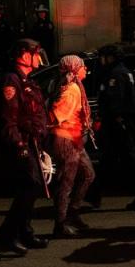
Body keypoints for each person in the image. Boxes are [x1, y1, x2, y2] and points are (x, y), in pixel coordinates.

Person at [0, 38, 49, 255]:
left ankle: (25, 231)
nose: (38, 58)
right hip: (21, 143)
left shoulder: (28, 81)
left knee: (33, 186)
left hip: (32, 141)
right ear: (24, 56)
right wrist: (19, 144)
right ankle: (7, 234)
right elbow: (9, 117)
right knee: (31, 185)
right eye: (35, 53)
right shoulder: (12, 80)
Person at [95, 44, 135, 211]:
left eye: (104, 57)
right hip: (120, 123)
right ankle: (94, 192)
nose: (102, 60)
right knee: (112, 159)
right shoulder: (121, 71)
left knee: (126, 158)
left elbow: (115, 101)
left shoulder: (116, 74)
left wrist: (114, 118)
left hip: (117, 124)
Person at [49, 55, 96, 238]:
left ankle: (73, 213)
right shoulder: (72, 91)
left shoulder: (77, 87)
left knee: (88, 174)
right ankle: (60, 224)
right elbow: (54, 116)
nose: (86, 70)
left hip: (75, 140)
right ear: (75, 69)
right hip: (65, 140)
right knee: (66, 182)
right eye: (83, 67)